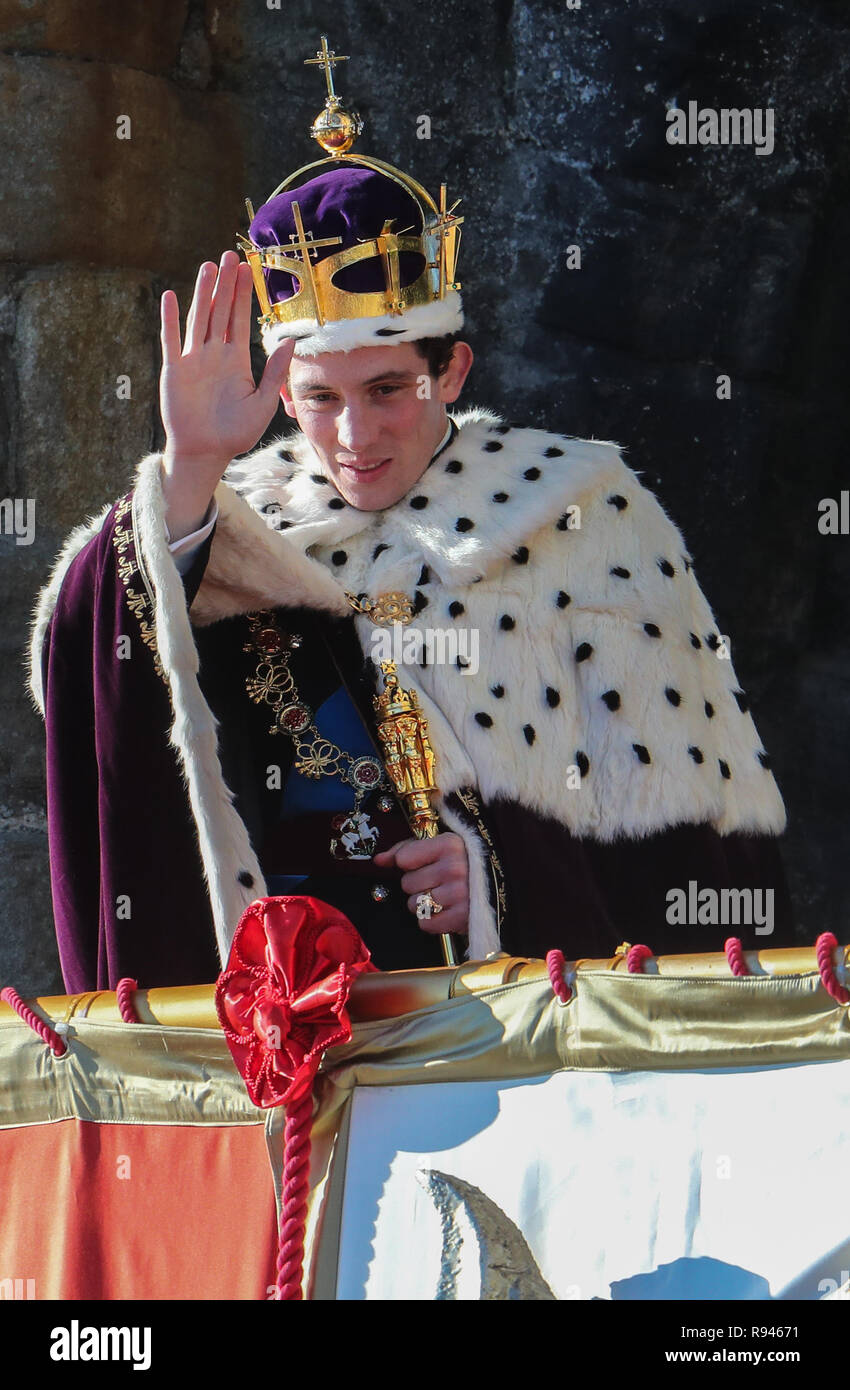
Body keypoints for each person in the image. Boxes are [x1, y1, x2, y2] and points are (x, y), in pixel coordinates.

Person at [28, 38, 796, 992]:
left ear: (453, 373)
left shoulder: (586, 513)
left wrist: (497, 885)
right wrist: (189, 467)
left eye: (388, 388)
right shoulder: (236, 524)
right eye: (317, 398)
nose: (354, 434)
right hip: (294, 1031)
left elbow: (699, 856)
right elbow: (100, 683)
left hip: (517, 1036)